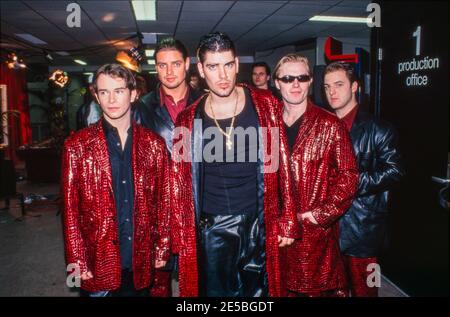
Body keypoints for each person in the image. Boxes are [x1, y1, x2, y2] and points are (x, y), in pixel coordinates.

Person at [171, 32, 298, 297]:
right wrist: (179, 231)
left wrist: (287, 217)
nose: (223, 75)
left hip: (258, 219)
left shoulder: (266, 106)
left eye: (228, 65)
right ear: (201, 69)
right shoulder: (186, 119)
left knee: (260, 294)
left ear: (237, 64)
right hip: (213, 224)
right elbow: (179, 181)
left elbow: (282, 162)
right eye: (213, 66)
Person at [62, 63, 170, 297]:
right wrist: (77, 258)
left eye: (118, 91)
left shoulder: (154, 145)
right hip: (97, 257)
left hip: (140, 257)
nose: (111, 99)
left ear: (133, 94)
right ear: (97, 97)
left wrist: (162, 246)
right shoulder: (77, 146)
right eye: (104, 92)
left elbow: (163, 201)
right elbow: (70, 210)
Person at [274, 54, 359, 297]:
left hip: (312, 235)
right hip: (275, 230)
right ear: (277, 82)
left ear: (311, 81)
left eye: (302, 77)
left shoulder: (330, 124)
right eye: (288, 78)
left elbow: (349, 176)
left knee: (311, 289)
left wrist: (320, 215)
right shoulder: (268, 123)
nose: (296, 84)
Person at [324, 61, 404, 297]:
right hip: (329, 228)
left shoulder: (378, 128)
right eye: (327, 86)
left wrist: (349, 184)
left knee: (365, 290)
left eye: (339, 85)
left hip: (364, 230)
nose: (332, 92)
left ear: (355, 86)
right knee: (333, 290)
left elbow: (396, 170)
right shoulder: (323, 126)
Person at [132, 37, 202, 297]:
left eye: (175, 64)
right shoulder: (140, 108)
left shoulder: (206, 104)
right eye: (162, 66)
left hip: (196, 204)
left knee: (196, 281)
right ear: (155, 68)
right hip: (156, 207)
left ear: (187, 64)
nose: (169, 72)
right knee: (157, 283)